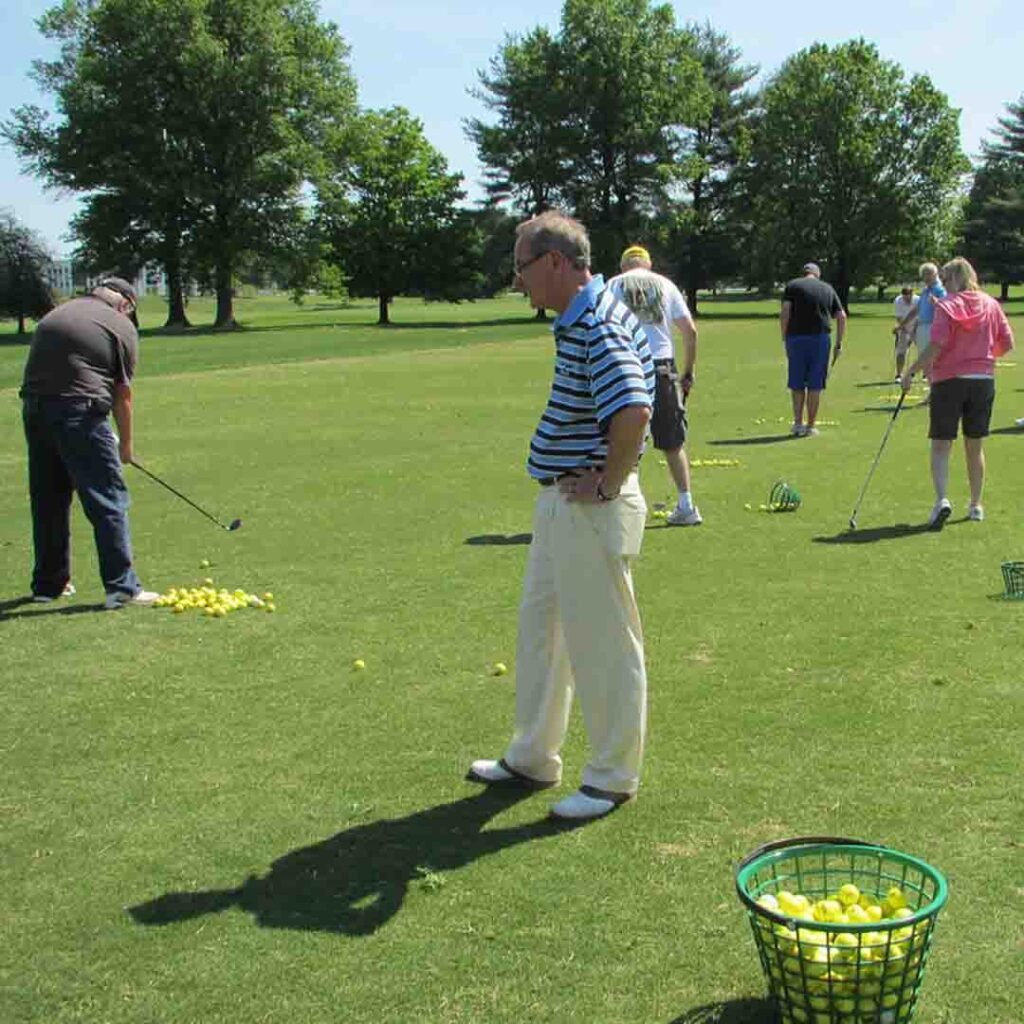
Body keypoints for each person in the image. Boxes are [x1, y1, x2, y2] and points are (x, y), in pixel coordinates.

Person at [467, 211, 654, 822]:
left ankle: (611, 778)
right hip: (561, 501)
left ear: (553, 262)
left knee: (602, 644)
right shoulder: (578, 319)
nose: (517, 280)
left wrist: (608, 483)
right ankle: (532, 756)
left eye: (521, 267)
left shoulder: (597, 323)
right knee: (542, 632)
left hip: (588, 506)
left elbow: (633, 409)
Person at [20, 278, 159, 609]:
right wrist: (126, 446)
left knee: (49, 498)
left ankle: (49, 585)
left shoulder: (58, 313)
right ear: (125, 305)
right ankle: (122, 588)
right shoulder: (119, 325)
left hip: (35, 411)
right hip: (80, 412)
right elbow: (122, 394)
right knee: (108, 497)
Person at [900, 257, 1015, 527]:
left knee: (941, 444)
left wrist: (911, 371)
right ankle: (975, 505)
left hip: (948, 380)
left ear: (954, 278)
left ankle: (942, 500)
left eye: (945, 278)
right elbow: (1006, 342)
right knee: (974, 445)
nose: (943, 283)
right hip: (982, 380)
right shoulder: (991, 304)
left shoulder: (946, 305)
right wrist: (983, 356)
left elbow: (936, 346)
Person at [607, 245, 702, 526]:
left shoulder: (612, 286)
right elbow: (690, 331)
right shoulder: (666, 285)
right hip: (661, 366)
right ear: (648, 264)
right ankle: (686, 504)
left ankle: (620, 505)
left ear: (623, 266)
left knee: (623, 439)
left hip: (625, 364)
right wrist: (688, 371)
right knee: (672, 440)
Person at [780, 262, 847, 436]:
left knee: (797, 383)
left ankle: (798, 424)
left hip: (796, 338)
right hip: (820, 339)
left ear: (804, 273)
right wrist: (839, 343)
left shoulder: (792, 286)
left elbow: (785, 312)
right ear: (818, 274)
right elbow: (841, 316)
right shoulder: (827, 288)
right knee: (815, 384)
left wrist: (784, 337)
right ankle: (810, 426)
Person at [892, 285, 918, 380]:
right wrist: (903, 329)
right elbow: (899, 318)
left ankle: (925, 374)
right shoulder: (898, 300)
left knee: (924, 350)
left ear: (912, 294)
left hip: (917, 326)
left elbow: (919, 317)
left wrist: (913, 331)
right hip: (903, 327)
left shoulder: (918, 300)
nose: (907, 300)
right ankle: (899, 374)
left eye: (909, 297)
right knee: (901, 351)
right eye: (905, 297)